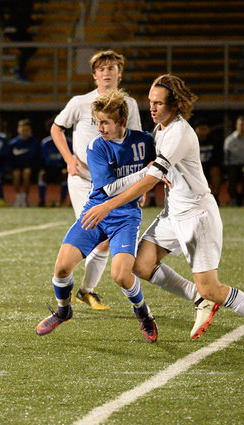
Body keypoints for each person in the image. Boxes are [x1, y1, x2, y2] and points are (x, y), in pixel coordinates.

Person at [81, 74, 244, 346]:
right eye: (150, 102)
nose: (152, 108)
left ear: (175, 104)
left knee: (212, 288)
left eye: (158, 103)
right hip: (173, 213)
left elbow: (151, 177)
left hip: (196, 215)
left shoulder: (179, 132)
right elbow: (153, 171)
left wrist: (108, 204)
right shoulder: (160, 130)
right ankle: (199, 299)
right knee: (141, 265)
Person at [35, 89, 158, 341]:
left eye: (105, 122)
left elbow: (161, 170)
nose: (99, 128)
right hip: (96, 210)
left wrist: (148, 182)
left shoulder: (145, 141)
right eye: (96, 122)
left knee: (121, 276)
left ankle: (143, 313)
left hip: (126, 216)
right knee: (62, 268)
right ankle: (63, 311)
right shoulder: (96, 146)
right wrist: (146, 174)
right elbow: (110, 188)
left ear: (121, 122)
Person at [50, 49, 142, 310]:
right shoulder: (80, 102)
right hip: (84, 180)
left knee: (104, 239)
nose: (106, 73)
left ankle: (86, 291)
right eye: (101, 69)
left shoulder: (129, 104)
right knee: (96, 233)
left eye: (111, 68)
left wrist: (138, 186)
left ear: (120, 74)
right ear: (94, 75)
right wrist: (69, 158)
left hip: (116, 184)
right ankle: (75, 288)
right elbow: (56, 128)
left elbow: (135, 143)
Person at [0, 0, 36, 82]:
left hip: (21, 29)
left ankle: (19, 68)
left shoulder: (29, 3)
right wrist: (2, 19)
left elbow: (24, 16)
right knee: (28, 50)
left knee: (31, 49)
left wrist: (33, 22)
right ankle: (19, 73)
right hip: (14, 28)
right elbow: (0, 5)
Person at [224, 115, 244, 206]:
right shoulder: (229, 140)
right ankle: (233, 199)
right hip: (233, 165)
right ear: (236, 126)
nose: (242, 127)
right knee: (231, 174)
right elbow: (226, 157)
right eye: (240, 125)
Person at [8, 118, 41, 207]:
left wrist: (35, 167)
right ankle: (18, 197)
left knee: (26, 174)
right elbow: (10, 158)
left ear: (30, 130)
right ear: (18, 129)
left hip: (29, 165)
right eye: (22, 129)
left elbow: (37, 157)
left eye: (26, 130)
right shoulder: (13, 143)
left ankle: (24, 197)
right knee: (16, 175)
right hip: (16, 164)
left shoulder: (35, 142)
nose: (24, 132)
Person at [38, 118, 69, 207]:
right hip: (49, 168)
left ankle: (63, 201)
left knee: (69, 176)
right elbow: (42, 159)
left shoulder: (68, 142)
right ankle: (42, 201)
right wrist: (43, 169)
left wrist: (65, 168)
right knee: (41, 176)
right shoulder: (45, 143)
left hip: (62, 168)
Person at [193, 118, 223, 204]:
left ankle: (215, 197)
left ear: (208, 130)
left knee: (215, 171)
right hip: (194, 167)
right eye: (200, 129)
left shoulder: (215, 141)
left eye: (204, 129)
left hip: (210, 166)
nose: (202, 131)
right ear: (195, 130)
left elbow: (218, 158)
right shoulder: (191, 141)